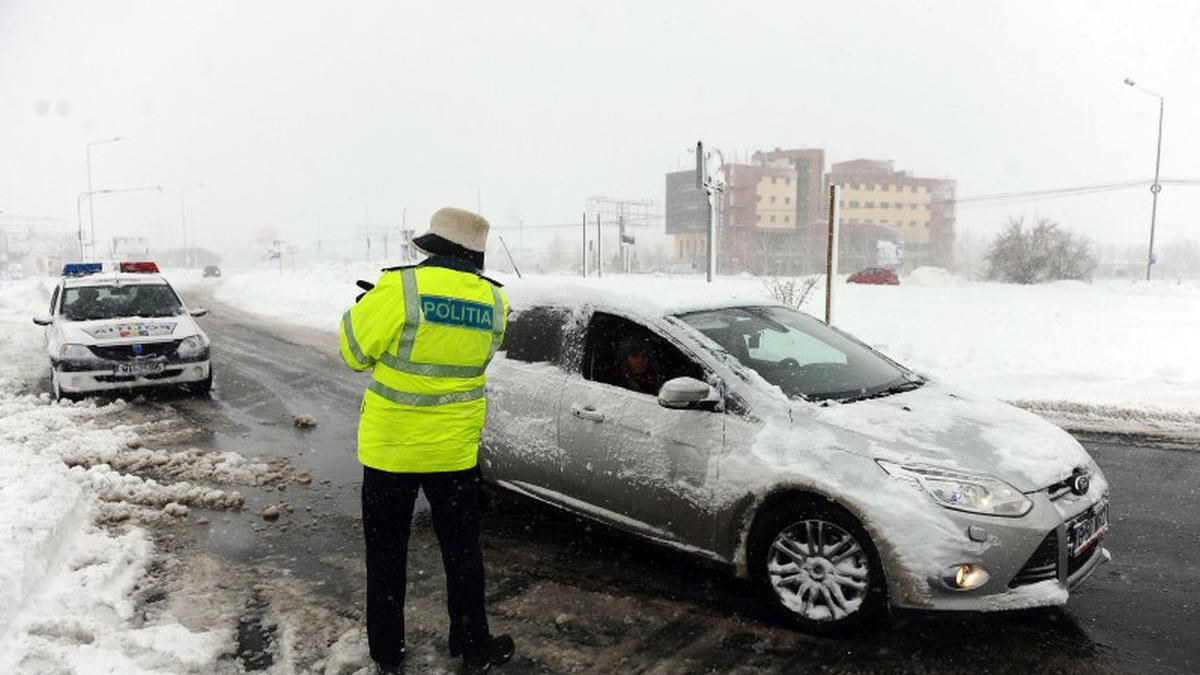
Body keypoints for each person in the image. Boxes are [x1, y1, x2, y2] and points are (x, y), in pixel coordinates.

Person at [339, 207, 515, 675]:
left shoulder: (400, 288)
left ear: (434, 247)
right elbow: (475, 358)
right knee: (463, 554)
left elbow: (353, 353)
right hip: (453, 452)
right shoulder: (495, 300)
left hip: (391, 453)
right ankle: (474, 645)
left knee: (386, 557)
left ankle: (388, 654)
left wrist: (366, 308)